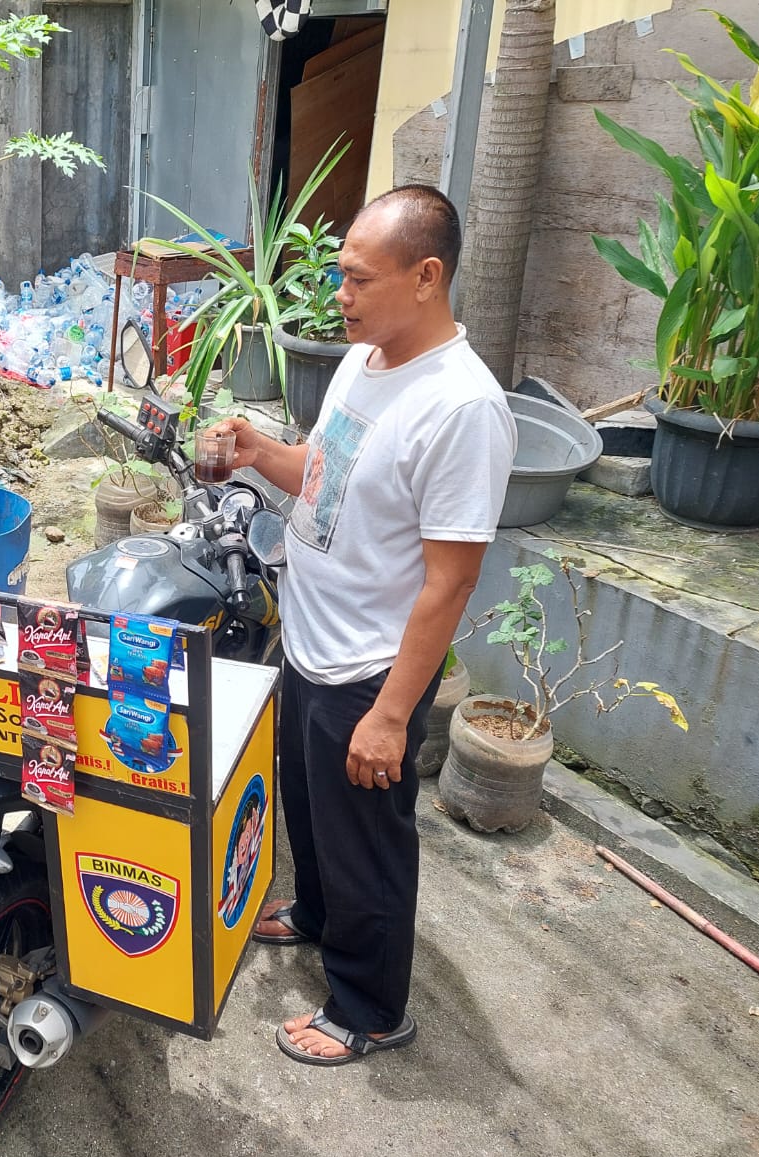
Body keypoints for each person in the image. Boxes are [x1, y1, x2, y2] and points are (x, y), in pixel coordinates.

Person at [210, 185, 515, 1066]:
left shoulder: (462, 408)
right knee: (312, 817)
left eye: (357, 278)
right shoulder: (366, 359)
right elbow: (325, 469)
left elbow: (451, 582)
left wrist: (390, 714)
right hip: (309, 642)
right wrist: (261, 454)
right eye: (340, 276)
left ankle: (370, 1009)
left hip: (369, 672)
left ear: (426, 277)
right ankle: (315, 915)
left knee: (368, 849)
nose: (339, 295)